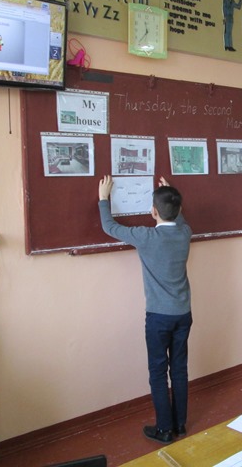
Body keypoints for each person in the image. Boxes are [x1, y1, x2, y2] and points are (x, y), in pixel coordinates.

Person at [98, 176, 193, 444]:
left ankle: (164, 429)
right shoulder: (185, 233)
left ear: (152, 211)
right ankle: (180, 424)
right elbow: (179, 219)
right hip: (183, 314)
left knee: (158, 372)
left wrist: (104, 198)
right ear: (178, 209)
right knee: (179, 369)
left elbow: (109, 226)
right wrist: (169, 195)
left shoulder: (146, 236)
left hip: (159, 317)